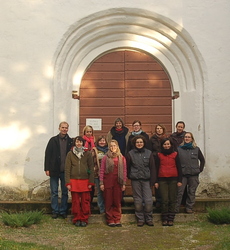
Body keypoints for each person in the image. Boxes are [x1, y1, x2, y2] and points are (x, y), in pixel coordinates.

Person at [44, 121, 73, 219]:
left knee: (65, 192)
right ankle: (55, 210)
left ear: (68, 129)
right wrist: (47, 168)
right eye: (63, 127)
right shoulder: (53, 140)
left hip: (66, 171)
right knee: (54, 192)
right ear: (59, 128)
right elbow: (47, 155)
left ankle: (63, 210)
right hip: (54, 170)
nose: (64, 129)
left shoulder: (71, 141)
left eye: (66, 128)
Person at [126, 135, 156, 227]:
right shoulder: (130, 154)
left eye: (141, 142)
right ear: (135, 144)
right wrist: (129, 176)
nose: (139, 144)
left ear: (144, 143)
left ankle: (149, 218)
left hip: (146, 180)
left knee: (148, 200)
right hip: (135, 180)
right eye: (137, 142)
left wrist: (153, 181)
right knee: (138, 201)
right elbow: (127, 167)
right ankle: (140, 219)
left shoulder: (149, 153)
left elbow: (152, 167)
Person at [65, 136, 94, 227]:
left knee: (85, 201)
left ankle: (84, 218)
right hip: (74, 181)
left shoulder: (87, 153)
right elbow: (67, 169)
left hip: (85, 181)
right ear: (75, 143)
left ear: (83, 143)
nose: (79, 144)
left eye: (80, 142)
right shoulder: (70, 154)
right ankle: (77, 218)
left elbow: (91, 168)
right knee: (76, 201)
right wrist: (68, 182)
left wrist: (91, 182)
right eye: (77, 142)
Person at [175, 132, 205, 214]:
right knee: (179, 192)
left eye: (189, 137)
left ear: (192, 139)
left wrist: (200, 169)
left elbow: (202, 160)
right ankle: (176, 208)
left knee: (191, 192)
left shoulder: (196, 149)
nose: (187, 138)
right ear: (183, 138)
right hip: (182, 174)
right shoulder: (179, 149)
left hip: (193, 174)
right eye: (185, 137)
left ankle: (189, 207)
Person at [155, 138, 182, 226]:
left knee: (172, 199)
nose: (167, 146)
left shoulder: (175, 154)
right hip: (162, 179)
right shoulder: (159, 155)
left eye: (168, 144)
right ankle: (164, 218)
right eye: (165, 144)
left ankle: (171, 218)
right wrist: (156, 181)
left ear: (171, 145)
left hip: (173, 179)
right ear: (162, 145)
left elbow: (179, 167)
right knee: (164, 199)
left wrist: (180, 180)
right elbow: (156, 168)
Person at [100, 140, 127, 227]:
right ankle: (110, 219)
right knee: (108, 201)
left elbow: (124, 171)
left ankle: (117, 218)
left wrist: (124, 183)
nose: (113, 148)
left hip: (118, 182)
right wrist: (101, 183)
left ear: (117, 146)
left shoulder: (121, 158)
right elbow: (102, 170)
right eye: (111, 146)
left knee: (117, 201)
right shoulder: (105, 157)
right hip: (108, 182)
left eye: (114, 146)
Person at [149, 124, 168, 208]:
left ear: (163, 130)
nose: (159, 130)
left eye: (160, 128)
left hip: (165, 162)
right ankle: (158, 200)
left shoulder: (167, 138)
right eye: (157, 128)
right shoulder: (152, 139)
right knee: (156, 181)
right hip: (156, 161)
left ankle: (166, 200)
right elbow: (149, 150)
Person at [93, 135, 109, 214]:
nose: (102, 142)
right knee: (100, 191)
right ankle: (101, 208)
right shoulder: (94, 150)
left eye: (103, 140)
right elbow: (92, 162)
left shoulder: (109, 150)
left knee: (107, 191)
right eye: (100, 141)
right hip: (97, 174)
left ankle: (108, 207)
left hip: (108, 174)